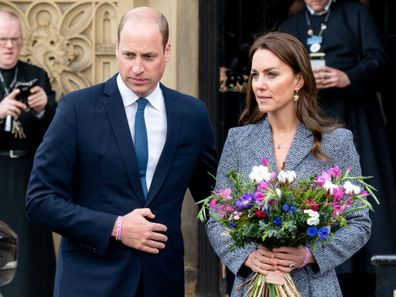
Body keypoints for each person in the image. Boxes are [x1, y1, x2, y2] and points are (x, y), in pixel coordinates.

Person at [25, 6, 217, 297]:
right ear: (116, 49)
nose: (137, 67)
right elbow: (40, 201)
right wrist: (115, 227)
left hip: (162, 281)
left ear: (167, 51)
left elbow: (214, 202)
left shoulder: (192, 115)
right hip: (90, 281)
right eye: (128, 55)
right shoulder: (76, 109)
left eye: (148, 56)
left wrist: (253, 252)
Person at [206, 31, 371, 297]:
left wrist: (309, 254)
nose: (259, 84)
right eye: (255, 75)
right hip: (252, 287)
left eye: (271, 74)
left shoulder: (336, 142)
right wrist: (247, 256)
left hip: (315, 288)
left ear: (298, 81)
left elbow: (359, 224)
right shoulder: (238, 140)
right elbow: (216, 218)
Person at [278, 1, 396, 296]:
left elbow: (379, 58)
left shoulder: (356, 14)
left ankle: (369, 269)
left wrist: (349, 76)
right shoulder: (290, 25)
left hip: (354, 114)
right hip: (310, 116)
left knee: (361, 186)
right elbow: (277, 68)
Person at [0, 10, 56, 297]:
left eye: (14, 39)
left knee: (31, 254)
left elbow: (55, 135)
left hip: (28, 176)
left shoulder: (37, 76)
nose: (9, 46)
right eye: (2, 40)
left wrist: (44, 108)